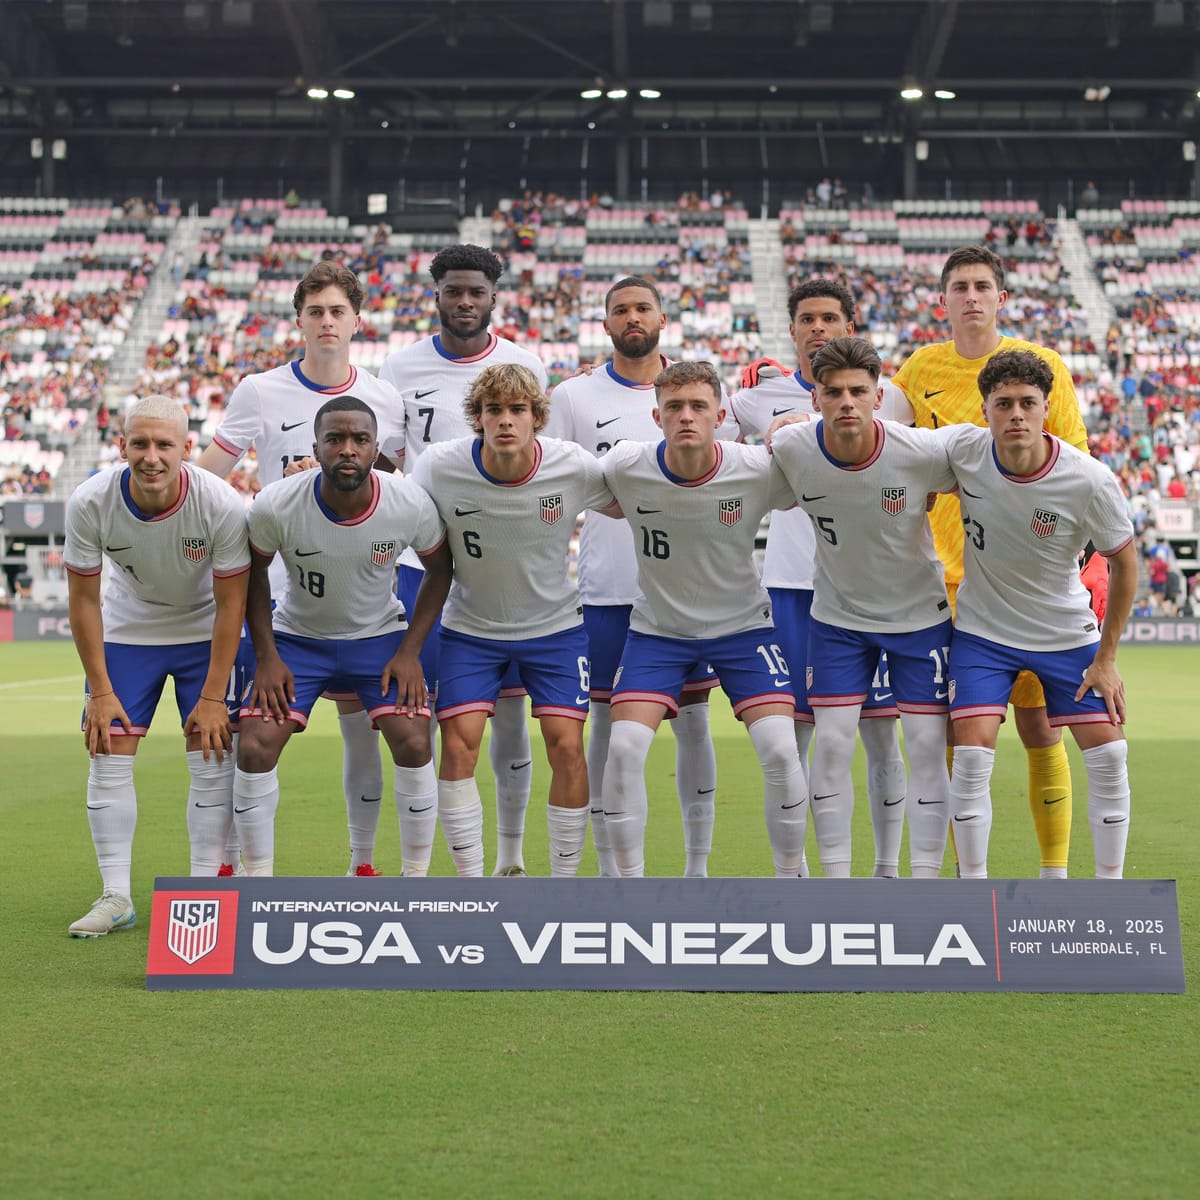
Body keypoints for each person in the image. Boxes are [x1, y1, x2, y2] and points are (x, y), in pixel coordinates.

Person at [197, 260, 404, 877]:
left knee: (362, 731)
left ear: (357, 320)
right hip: (275, 598)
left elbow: (393, 484)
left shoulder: (384, 397)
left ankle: (362, 864)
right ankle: (235, 868)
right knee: (250, 737)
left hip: (360, 595)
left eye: (337, 311)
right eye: (314, 312)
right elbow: (208, 475)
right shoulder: (259, 390)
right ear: (299, 321)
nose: (326, 322)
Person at [892, 244, 1090, 878]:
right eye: (959, 287)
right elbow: (887, 444)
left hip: (1023, 586)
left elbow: (1076, 473)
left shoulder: (1043, 369)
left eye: (982, 285)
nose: (971, 296)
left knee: (1039, 727)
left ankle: (1054, 872)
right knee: (960, 735)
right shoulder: (918, 370)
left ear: (1001, 297)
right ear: (942, 300)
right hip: (937, 582)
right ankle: (966, 881)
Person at [597, 361, 807, 878]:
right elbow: (560, 482)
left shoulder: (756, 468)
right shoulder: (627, 464)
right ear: (656, 415)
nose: (686, 416)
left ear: (719, 415)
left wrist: (796, 426)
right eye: (674, 407)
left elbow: (828, 473)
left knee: (781, 751)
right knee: (622, 749)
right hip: (658, 633)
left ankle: (792, 877)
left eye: (697, 407)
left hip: (743, 629)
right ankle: (628, 888)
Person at [381, 244, 550, 876]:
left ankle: (508, 860)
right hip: (421, 566)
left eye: (476, 291)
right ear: (438, 295)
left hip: (502, 564)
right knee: (415, 722)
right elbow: (388, 462)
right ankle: (418, 871)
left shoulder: (524, 363)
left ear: (492, 297)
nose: (465, 301)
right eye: (453, 291)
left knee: (507, 718)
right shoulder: (399, 367)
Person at [545, 276, 722, 878]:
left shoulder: (696, 390)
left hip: (691, 594)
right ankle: (612, 872)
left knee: (695, 726)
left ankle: (697, 869)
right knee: (605, 730)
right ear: (606, 324)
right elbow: (553, 481)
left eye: (643, 307)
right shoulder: (573, 397)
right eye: (620, 309)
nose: (632, 317)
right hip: (607, 589)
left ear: (663, 318)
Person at [734, 279, 909, 877]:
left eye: (829, 317)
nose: (817, 328)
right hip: (791, 587)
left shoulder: (892, 396)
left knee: (883, 737)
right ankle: (797, 873)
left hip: (874, 590)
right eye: (806, 319)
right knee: (795, 740)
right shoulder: (755, 397)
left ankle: (887, 873)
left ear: (851, 324)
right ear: (792, 330)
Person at [232, 397, 448, 877]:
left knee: (415, 742)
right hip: (298, 638)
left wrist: (410, 651)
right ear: (316, 446)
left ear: (376, 449)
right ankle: (258, 882)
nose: (347, 449)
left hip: (377, 638)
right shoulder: (276, 503)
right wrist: (266, 655)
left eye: (359, 440)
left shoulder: (407, 501)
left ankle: (415, 882)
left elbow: (440, 569)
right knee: (253, 746)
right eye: (335, 439)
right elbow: (253, 573)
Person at [941, 351, 1137, 878]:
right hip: (983, 634)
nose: (1016, 415)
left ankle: (1105, 892)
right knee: (973, 755)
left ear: (1046, 408)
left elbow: (1124, 562)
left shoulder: (1089, 480)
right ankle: (971, 890)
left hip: (1065, 635)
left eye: (1027, 403)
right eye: (1003, 404)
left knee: (1109, 758)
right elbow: (892, 450)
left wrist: (1108, 656)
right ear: (984, 410)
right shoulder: (962, 450)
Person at [411, 364, 612, 877]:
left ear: (537, 417)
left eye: (517, 410)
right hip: (471, 632)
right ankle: (472, 887)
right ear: (476, 418)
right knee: (457, 746)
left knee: (567, 747)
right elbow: (394, 506)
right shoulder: (439, 465)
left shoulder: (573, 467)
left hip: (556, 631)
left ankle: (562, 887)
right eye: (493, 410)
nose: (505, 420)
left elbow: (636, 497)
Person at [63, 395, 250, 936]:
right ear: (121, 446)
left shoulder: (220, 503)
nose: (151, 456)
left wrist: (214, 697)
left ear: (187, 449)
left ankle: (201, 895)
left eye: (164, 444)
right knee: (108, 750)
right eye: (139, 443)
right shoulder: (90, 501)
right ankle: (116, 896)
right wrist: (99, 691)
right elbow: (82, 601)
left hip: (206, 629)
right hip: (129, 628)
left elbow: (233, 603)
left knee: (213, 756)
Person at [770, 338, 956, 878]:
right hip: (837, 622)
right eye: (834, 392)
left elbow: (988, 466)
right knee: (829, 744)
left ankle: (918, 881)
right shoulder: (794, 449)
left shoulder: (922, 451)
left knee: (923, 746)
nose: (846, 401)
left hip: (919, 620)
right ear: (817, 396)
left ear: (879, 396)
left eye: (858, 391)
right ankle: (837, 885)